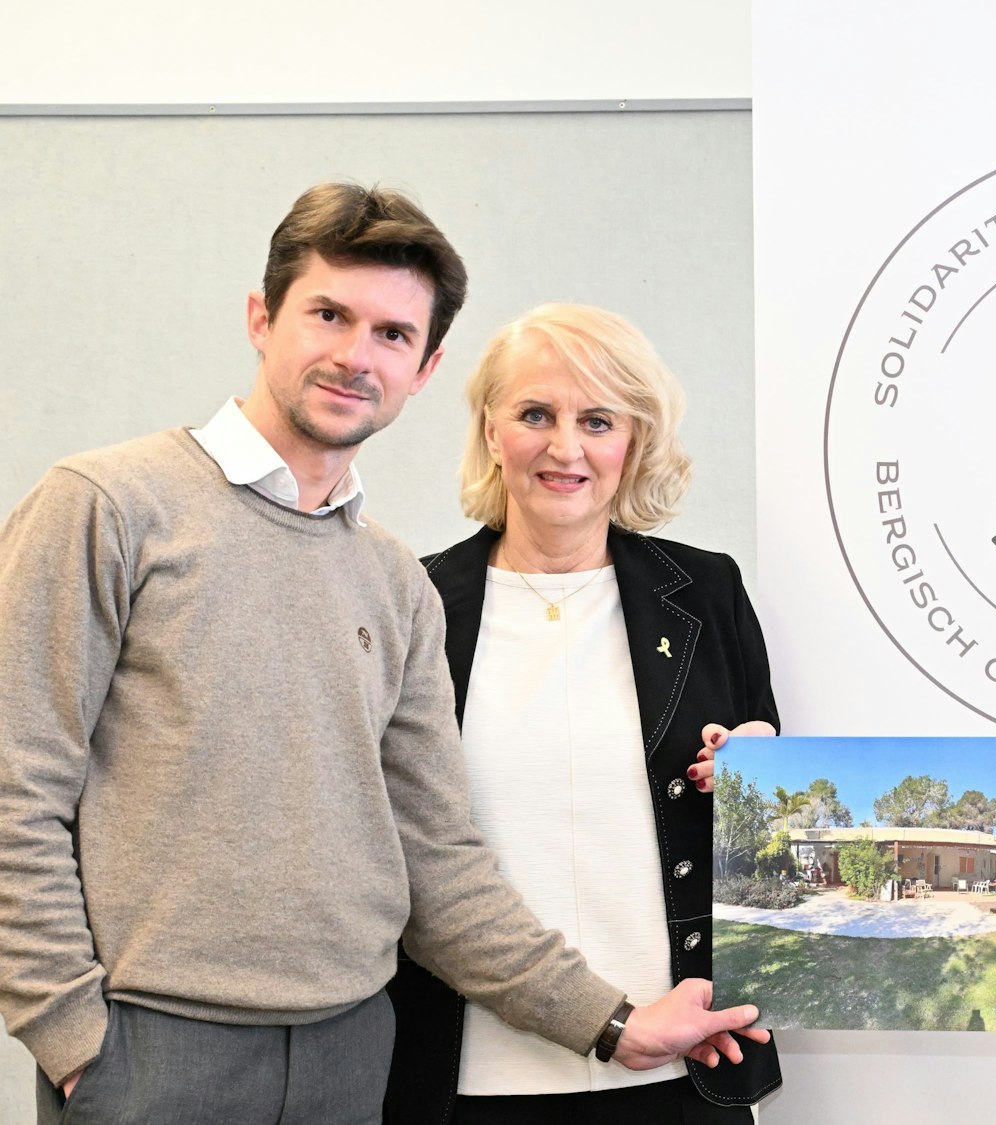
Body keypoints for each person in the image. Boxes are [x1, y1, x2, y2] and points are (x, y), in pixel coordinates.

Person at [0, 184, 763, 1125]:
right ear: (260, 317)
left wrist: (607, 1022)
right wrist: (72, 1036)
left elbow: (440, 863)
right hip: (152, 1050)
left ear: (426, 366)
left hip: (355, 1055)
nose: (357, 355)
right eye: (329, 314)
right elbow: (14, 782)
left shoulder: (392, 580)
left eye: (393, 334)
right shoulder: (107, 506)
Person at [384, 303, 782, 1125]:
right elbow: (393, 848)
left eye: (596, 419)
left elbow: (769, 824)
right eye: (536, 414)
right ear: (492, 430)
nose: (565, 446)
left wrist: (761, 772)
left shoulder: (707, 595)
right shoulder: (409, 602)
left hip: (683, 1067)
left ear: (632, 440)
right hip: (467, 1080)